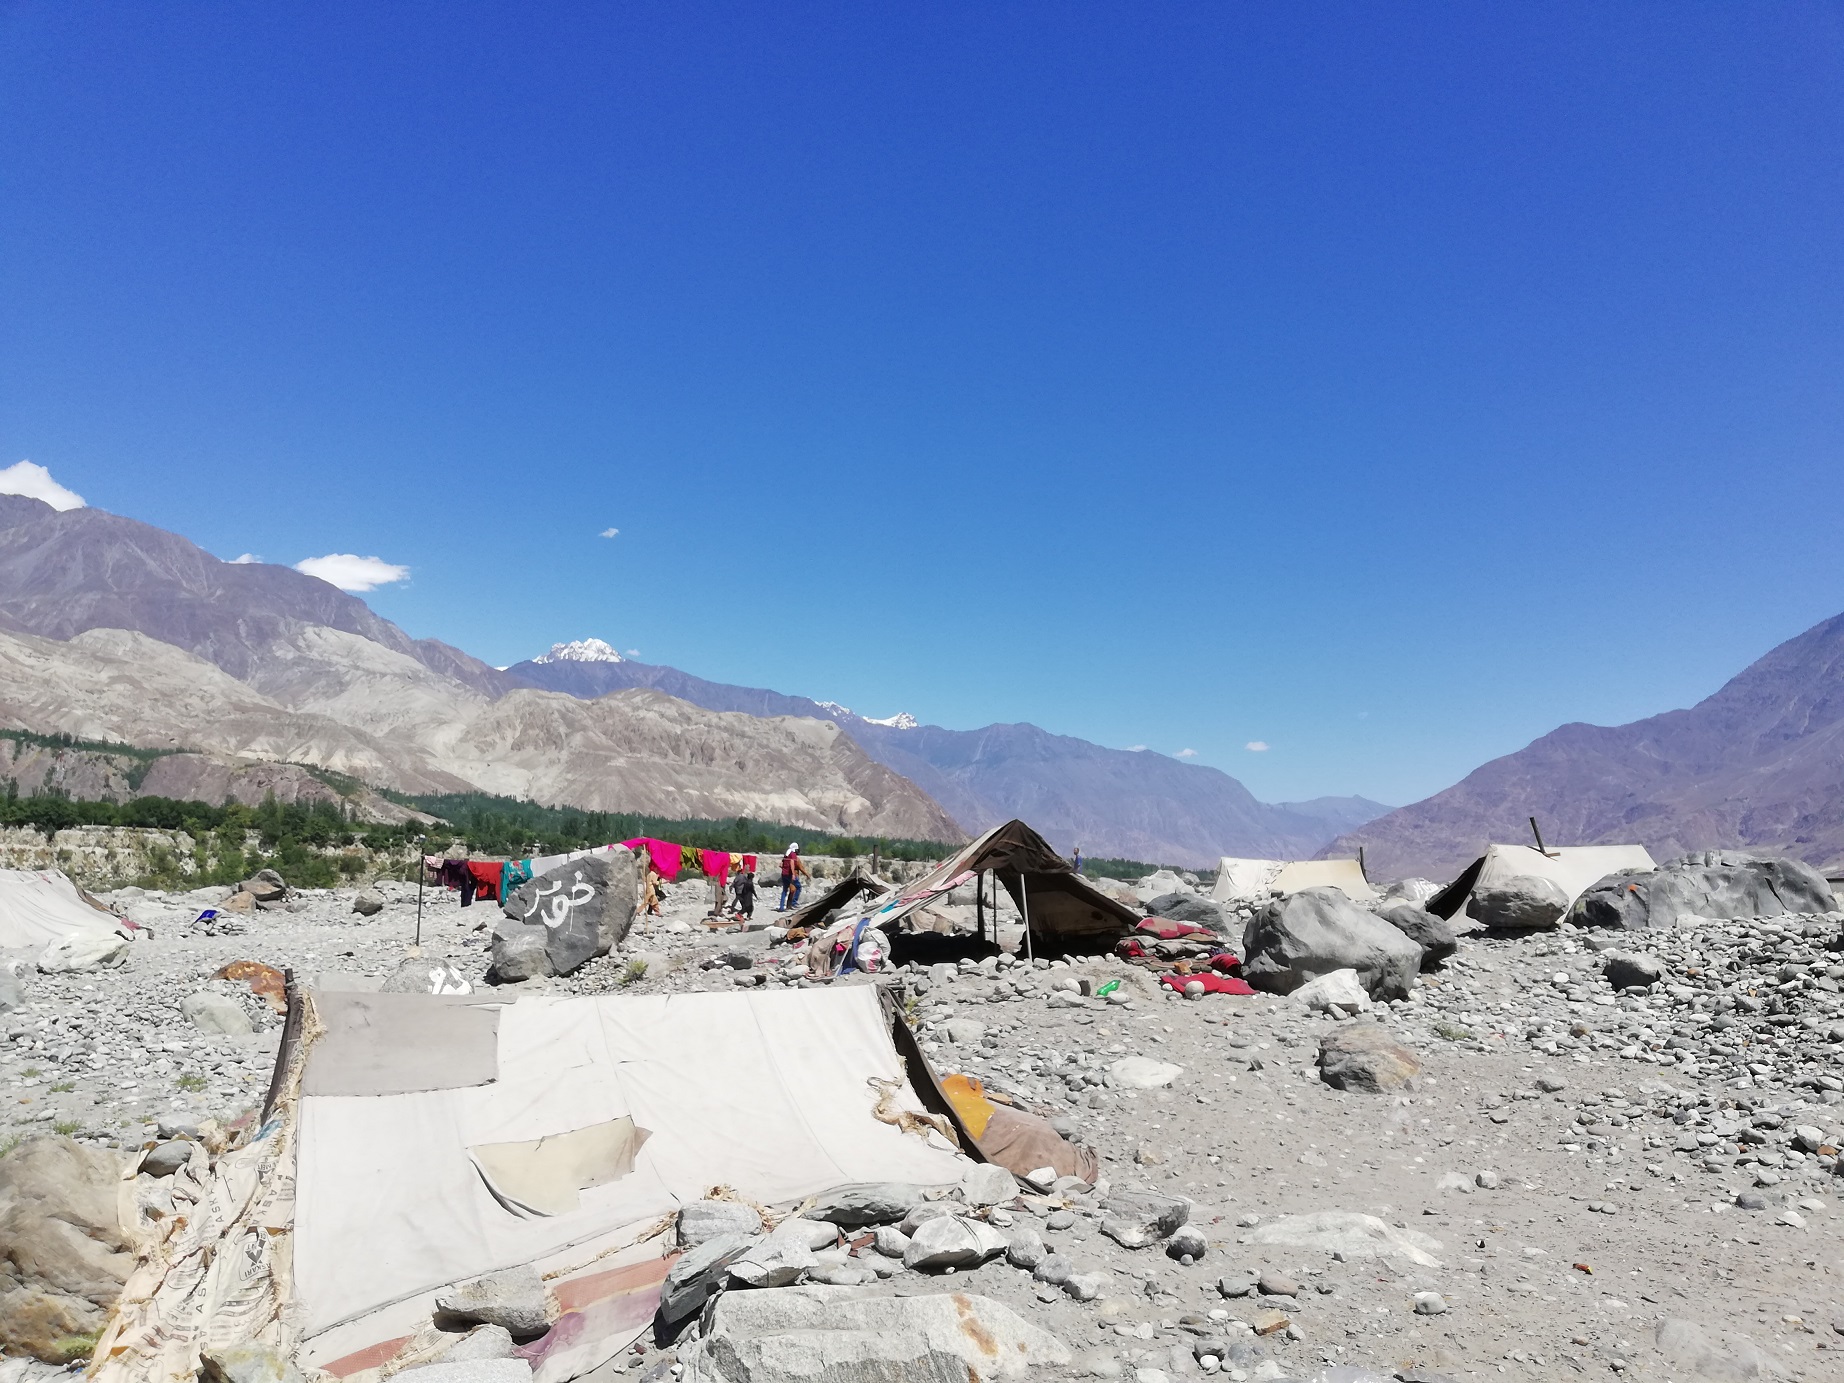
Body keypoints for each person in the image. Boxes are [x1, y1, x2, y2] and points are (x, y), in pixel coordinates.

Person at [778, 843, 809, 911]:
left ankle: (782, 906)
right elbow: (794, 864)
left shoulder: (786, 855)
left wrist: (785, 868)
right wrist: (793, 874)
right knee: (797, 887)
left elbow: (780, 865)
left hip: (784, 874)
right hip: (790, 874)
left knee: (785, 890)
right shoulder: (793, 855)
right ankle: (793, 903)